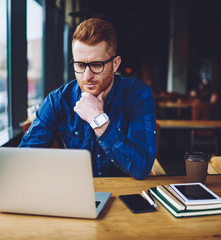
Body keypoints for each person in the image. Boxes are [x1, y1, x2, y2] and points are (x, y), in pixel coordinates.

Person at [19, 18, 157, 180]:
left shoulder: (138, 95)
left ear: (115, 64)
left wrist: (98, 120)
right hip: (75, 195)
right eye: (80, 65)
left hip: (126, 196)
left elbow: (141, 168)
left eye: (97, 65)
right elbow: (23, 162)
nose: (87, 76)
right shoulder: (58, 101)